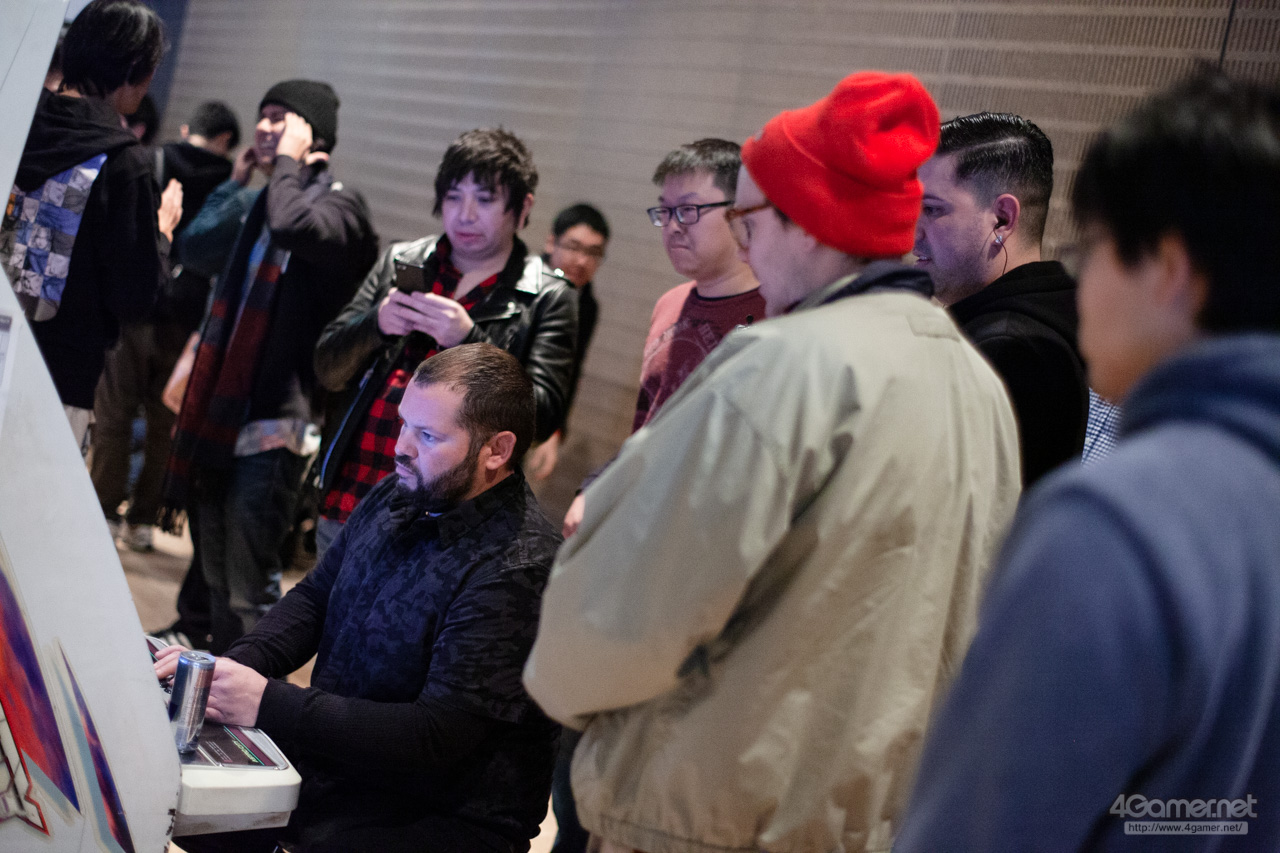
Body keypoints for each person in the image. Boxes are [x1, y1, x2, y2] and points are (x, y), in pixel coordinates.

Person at [524, 71, 1021, 853]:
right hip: (861, 824)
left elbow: (629, 610)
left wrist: (559, 687)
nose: (747, 245)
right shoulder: (973, 382)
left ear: (811, 225)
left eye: (749, 220)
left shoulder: (782, 363)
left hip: (706, 815)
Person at [896, 70, 1280, 852]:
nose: (1078, 284)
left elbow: (989, 825)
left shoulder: (1113, 521)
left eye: (1092, 249)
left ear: (1167, 267)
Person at [159, 343, 561, 852]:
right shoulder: (403, 491)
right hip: (344, 771)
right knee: (164, 796)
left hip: (438, 814)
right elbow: (315, 599)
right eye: (404, 424)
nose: (402, 447)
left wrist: (265, 700)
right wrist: (228, 671)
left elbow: (435, 736)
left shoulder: (518, 567)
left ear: (497, 451)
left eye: (428, 435)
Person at [160, 79, 379, 654]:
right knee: (214, 576)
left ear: (314, 136)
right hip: (220, 417)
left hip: (276, 425)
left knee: (247, 587)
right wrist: (238, 183)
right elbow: (195, 250)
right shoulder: (262, 200)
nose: (263, 127)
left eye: (280, 118)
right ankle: (216, 685)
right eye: (261, 115)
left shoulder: (340, 206)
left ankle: (252, 695)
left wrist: (285, 165)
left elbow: (292, 225)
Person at [312, 127, 578, 557]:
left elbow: (541, 415)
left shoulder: (548, 296)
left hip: (446, 524)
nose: (465, 215)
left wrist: (471, 340)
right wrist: (375, 324)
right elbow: (327, 367)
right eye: (453, 197)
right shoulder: (401, 260)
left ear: (523, 207)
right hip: (353, 493)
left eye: (485, 200)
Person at [560, 139, 763, 538]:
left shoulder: (775, 313)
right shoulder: (670, 303)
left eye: (688, 210)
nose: (673, 226)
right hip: (641, 519)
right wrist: (602, 486)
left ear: (739, 211)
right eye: (665, 211)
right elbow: (651, 425)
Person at [2, 0, 180, 452]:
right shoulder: (122, 162)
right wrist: (161, 233)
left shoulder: (14, 119)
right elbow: (134, 298)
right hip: (56, 379)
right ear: (135, 73)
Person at [92, 100, 241, 552]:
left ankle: (102, 512)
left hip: (138, 309)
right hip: (187, 322)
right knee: (164, 425)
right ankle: (141, 520)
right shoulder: (232, 188)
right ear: (226, 140)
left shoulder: (152, 161)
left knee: (114, 415)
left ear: (188, 128)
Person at [915, 111, 1087, 485]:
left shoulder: (1009, 350)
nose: (913, 231)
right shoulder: (1049, 317)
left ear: (1003, 219)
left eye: (930, 209)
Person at [524, 202, 610, 481]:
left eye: (593, 253)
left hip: (530, 414)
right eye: (573, 247)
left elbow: (569, 370)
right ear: (552, 242)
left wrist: (554, 428)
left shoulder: (586, 304)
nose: (582, 261)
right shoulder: (524, 281)